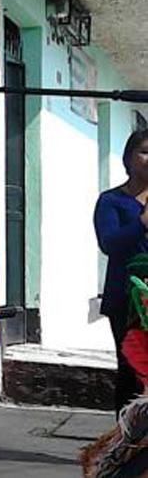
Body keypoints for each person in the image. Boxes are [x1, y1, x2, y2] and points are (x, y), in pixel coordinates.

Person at [94, 128, 148, 415]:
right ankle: (125, 446)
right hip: (126, 301)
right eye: (145, 152)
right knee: (131, 371)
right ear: (128, 159)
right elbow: (109, 243)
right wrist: (142, 222)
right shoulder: (111, 201)